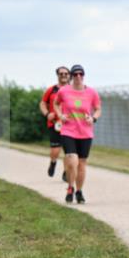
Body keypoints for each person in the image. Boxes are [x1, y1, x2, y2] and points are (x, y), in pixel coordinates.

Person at [53, 64, 101, 204]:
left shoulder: (92, 93)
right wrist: (60, 115)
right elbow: (56, 104)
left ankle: (79, 191)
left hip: (85, 132)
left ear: (83, 75)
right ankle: (70, 188)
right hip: (68, 130)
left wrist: (93, 118)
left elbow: (98, 109)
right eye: (75, 74)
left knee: (82, 163)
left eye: (81, 74)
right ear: (71, 76)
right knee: (72, 160)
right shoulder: (64, 91)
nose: (78, 76)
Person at [39, 67, 70, 179]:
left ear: (69, 75)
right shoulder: (51, 90)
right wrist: (47, 114)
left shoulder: (73, 90)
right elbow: (42, 103)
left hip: (69, 125)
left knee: (69, 151)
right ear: (57, 75)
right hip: (54, 123)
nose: (63, 75)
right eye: (61, 73)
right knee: (56, 150)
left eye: (66, 73)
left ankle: (66, 172)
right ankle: (53, 162)